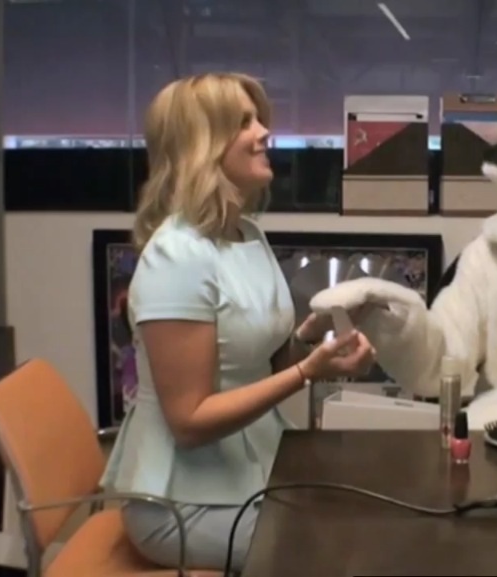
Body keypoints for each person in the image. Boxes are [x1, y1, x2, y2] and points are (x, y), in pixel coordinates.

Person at [100, 72, 377, 573]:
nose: (264, 132)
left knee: (365, 515)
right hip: (181, 504)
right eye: (244, 123)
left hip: (250, 470)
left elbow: (257, 366)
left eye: (259, 120)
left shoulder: (246, 233)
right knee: (343, 550)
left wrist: (311, 339)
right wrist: (306, 373)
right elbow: (189, 422)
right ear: (202, 145)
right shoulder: (177, 257)